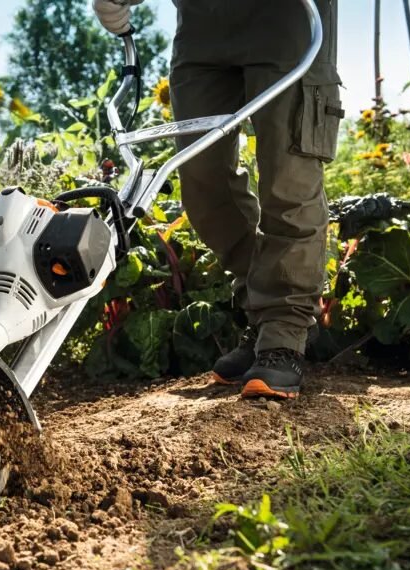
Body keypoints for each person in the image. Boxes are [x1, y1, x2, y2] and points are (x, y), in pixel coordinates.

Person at [93, 0, 341, 399]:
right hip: (201, 23)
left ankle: (284, 331)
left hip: (287, 17)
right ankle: (265, 317)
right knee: (203, 184)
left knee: (288, 181)